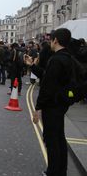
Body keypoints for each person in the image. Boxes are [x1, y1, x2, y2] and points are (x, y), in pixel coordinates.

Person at [26, 28, 73, 176]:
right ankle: (61, 170)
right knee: (59, 138)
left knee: (52, 140)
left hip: (52, 105)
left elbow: (47, 86)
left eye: (51, 40)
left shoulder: (57, 59)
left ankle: (53, 171)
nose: (50, 43)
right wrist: (32, 66)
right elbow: (47, 77)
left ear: (56, 40)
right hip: (61, 103)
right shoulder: (67, 57)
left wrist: (37, 108)